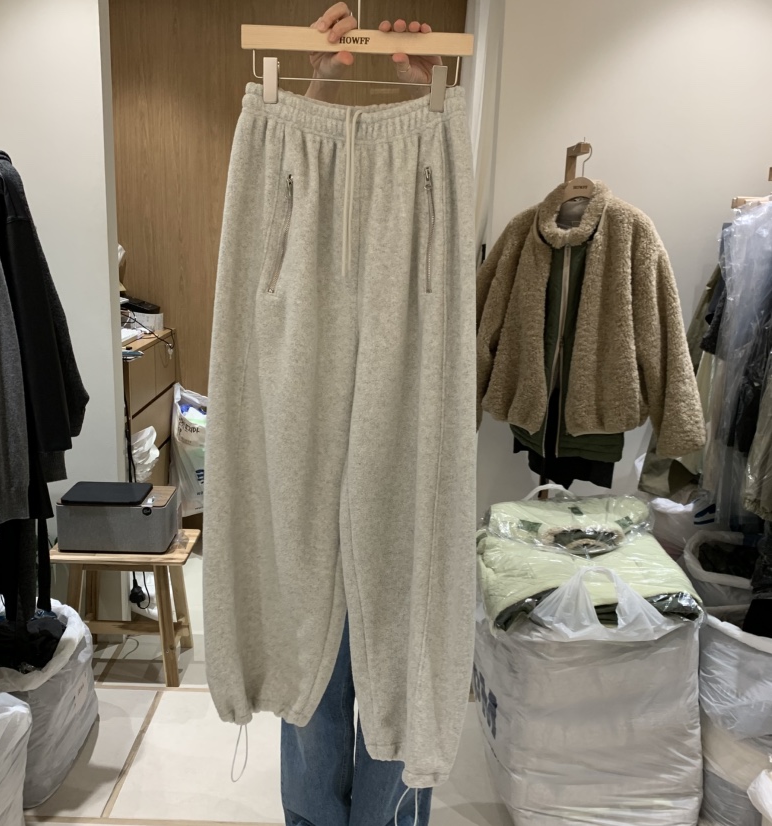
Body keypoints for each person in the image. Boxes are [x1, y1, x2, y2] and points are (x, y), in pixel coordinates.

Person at [280, 6, 442, 825]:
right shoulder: (287, 165)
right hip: (302, 399)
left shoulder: (431, 174)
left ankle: (386, 816)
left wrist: (426, 95)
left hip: (405, 407)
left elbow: (441, 193)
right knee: (312, 640)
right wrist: (313, 88)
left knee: (400, 644)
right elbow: (280, 198)